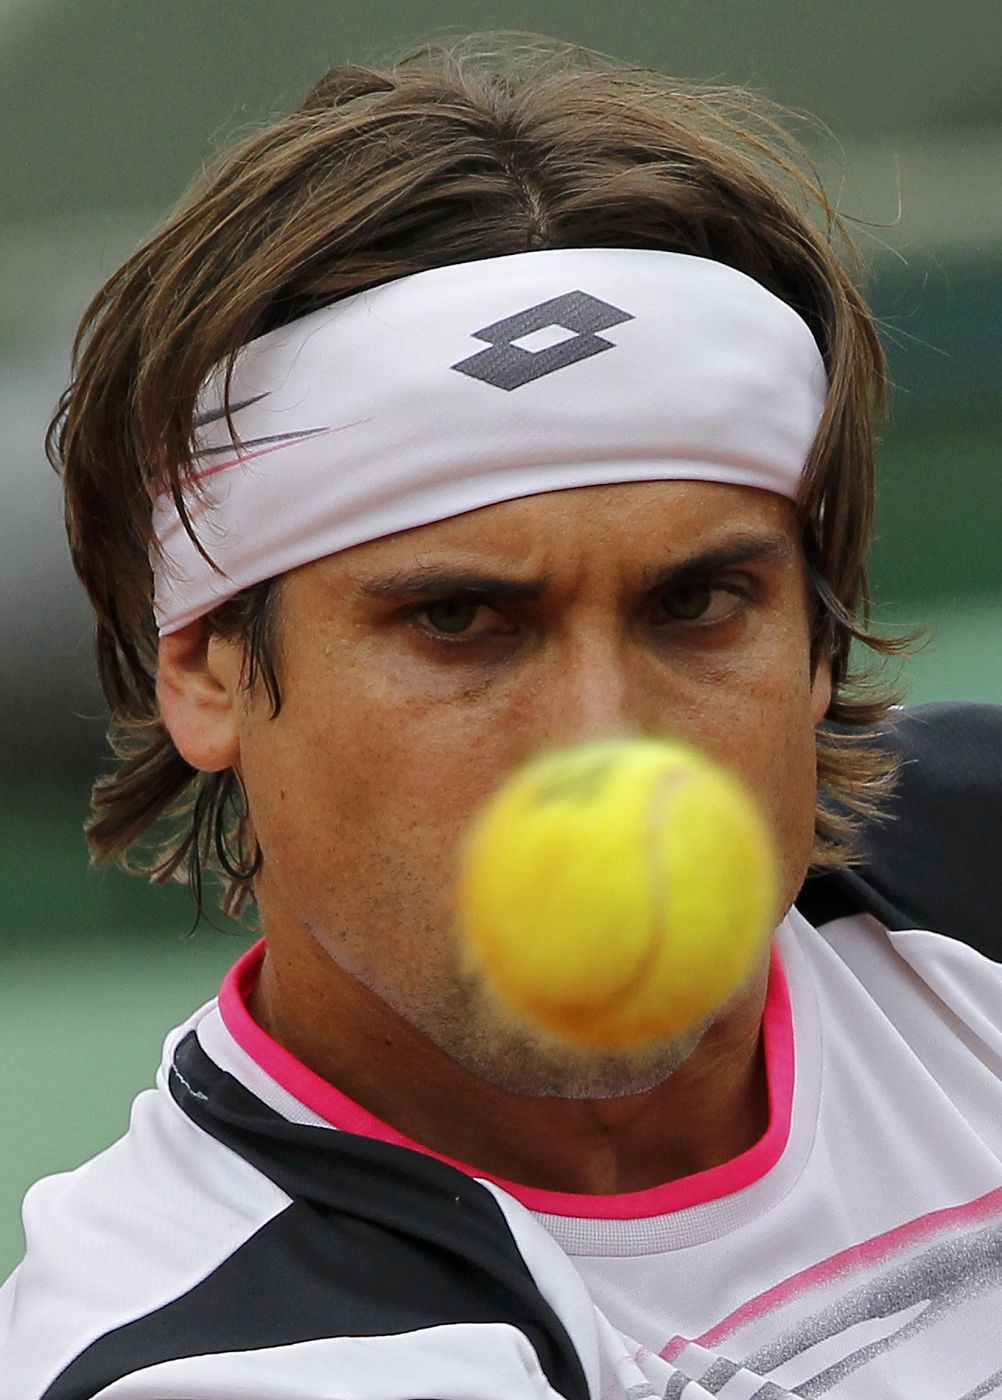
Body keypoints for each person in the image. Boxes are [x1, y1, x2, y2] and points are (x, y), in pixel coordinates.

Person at [2, 37, 1000, 1400]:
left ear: (817, 637)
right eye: (460, 621)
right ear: (206, 672)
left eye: (696, 604)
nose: (603, 736)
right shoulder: (204, 1364)